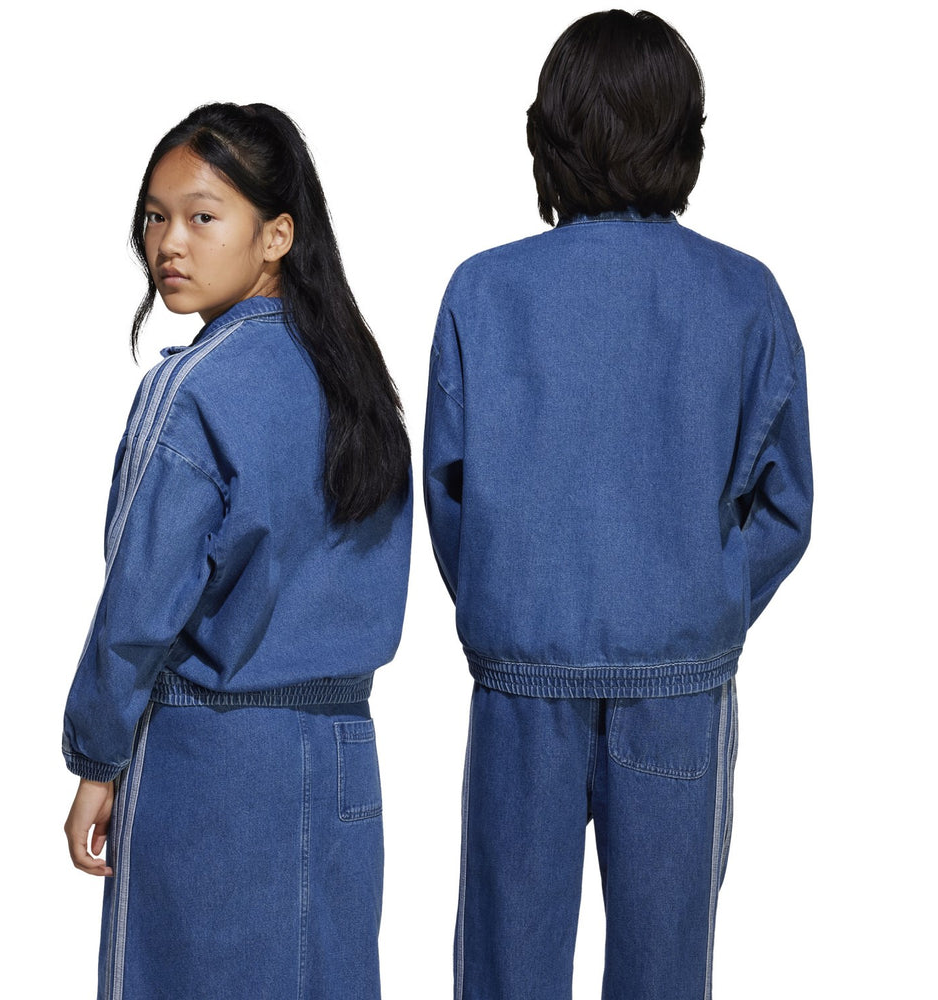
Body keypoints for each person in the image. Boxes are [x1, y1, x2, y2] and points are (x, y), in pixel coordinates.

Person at [424, 11, 812, 1000]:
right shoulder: (743, 295)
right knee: (666, 971)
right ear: (684, 134)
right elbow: (785, 505)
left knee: (506, 969)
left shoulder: (484, 290)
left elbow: (447, 492)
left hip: (523, 673)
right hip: (677, 682)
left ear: (546, 132)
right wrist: (706, 598)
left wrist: (508, 600)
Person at [62, 102, 411, 1000]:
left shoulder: (194, 388)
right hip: (343, 760)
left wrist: (97, 759)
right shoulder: (358, 383)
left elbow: (139, 605)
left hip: (212, 766)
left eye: (202, 216)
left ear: (276, 236)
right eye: (155, 216)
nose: (169, 243)